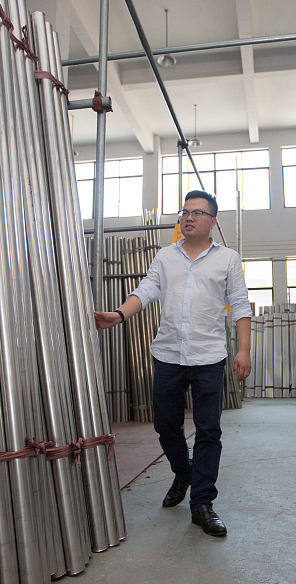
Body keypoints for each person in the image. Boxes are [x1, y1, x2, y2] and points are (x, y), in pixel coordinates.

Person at [95, 190, 252, 537]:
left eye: (197, 212)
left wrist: (244, 350)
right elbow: (147, 290)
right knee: (166, 425)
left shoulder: (228, 259)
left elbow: (240, 304)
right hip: (167, 354)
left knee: (209, 431)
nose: (188, 217)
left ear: (213, 221)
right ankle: (183, 471)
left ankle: (202, 504)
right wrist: (119, 315)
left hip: (209, 356)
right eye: (185, 211)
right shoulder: (165, 257)